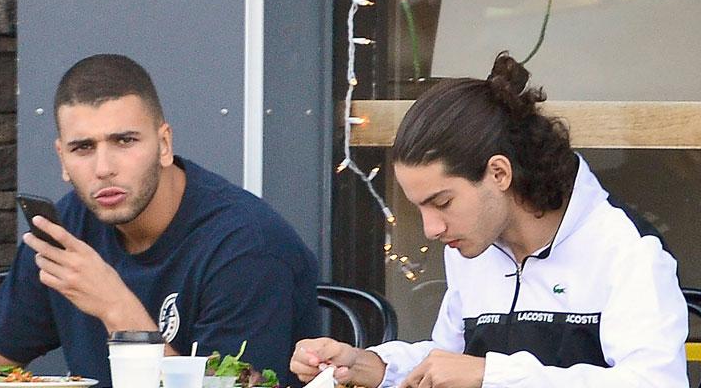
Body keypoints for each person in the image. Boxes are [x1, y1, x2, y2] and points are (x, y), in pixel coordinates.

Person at [0, 54, 320, 387]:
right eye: (83, 148)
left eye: (124, 141)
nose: (104, 167)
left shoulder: (246, 244)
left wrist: (115, 306)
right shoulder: (66, 228)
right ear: (62, 159)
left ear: (164, 144)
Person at [290, 52, 688, 387]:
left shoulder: (627, 248)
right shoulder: (472, 244)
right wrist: (367, 365)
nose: (431, 228)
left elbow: (655, 381)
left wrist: (490, 374)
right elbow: (450, 359)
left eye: (442, 202)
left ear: (499, 173)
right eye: (420, 208)